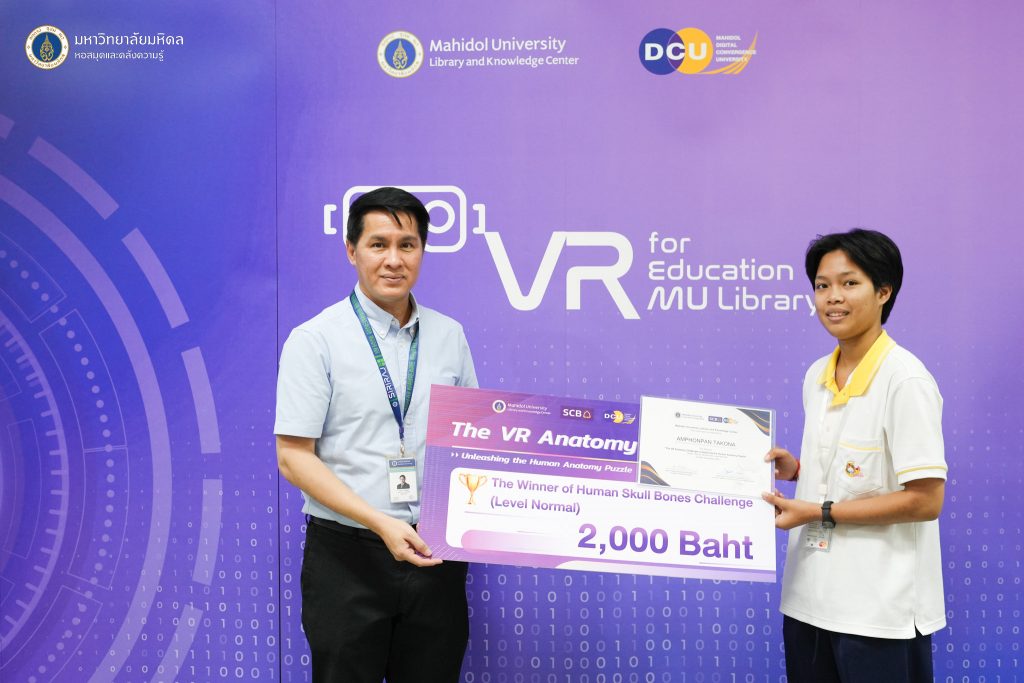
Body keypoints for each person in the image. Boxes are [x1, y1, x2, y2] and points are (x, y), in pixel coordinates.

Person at [275, 187, 478, 683]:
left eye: (407, 245)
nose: (393, 259)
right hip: (347, 558)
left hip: (434, 555)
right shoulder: (315, 340)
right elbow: (293, 457)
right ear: (352, 251)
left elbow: (473, 441)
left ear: (422, 251)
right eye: (378, 244)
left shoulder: (449, 335)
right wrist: (380, 523)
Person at [762, 229, 947, 683]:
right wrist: (799, 471)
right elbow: (855, 471)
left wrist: (818, 511)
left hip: (879, 612)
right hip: (808, 601)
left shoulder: (905, 381)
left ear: (884, 292)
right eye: (822, 285)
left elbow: (926, 500)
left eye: (849, 283)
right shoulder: (816, 376)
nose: (833, 298)